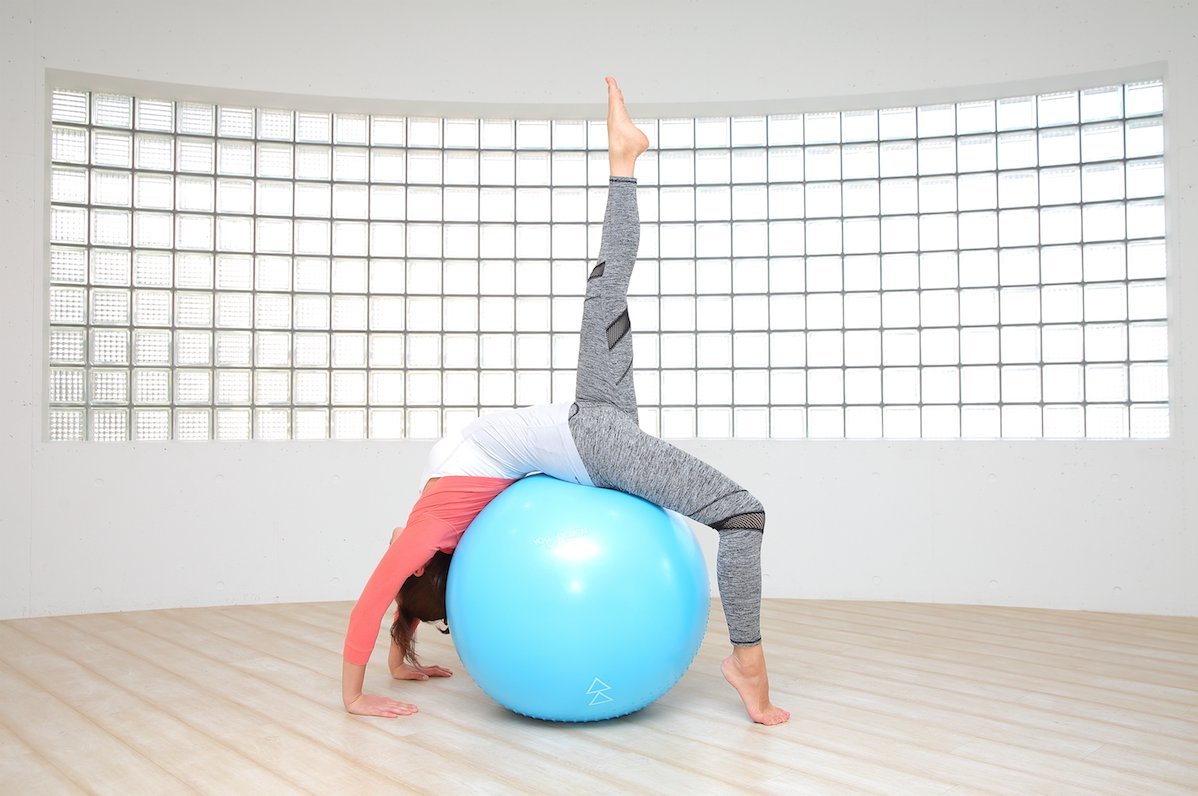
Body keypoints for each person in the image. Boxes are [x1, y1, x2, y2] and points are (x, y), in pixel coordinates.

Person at [341, 76, 790, 726]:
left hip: (590, 410)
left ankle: (623, 161)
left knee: (605, 287)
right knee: (741, 517)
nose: (393, 541)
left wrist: (403, 645)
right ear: (432, 558)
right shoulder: (431, 526)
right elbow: (374, 596)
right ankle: (747, 661)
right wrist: (354, 696)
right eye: (404, 552)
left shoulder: (435, 505)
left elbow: (398, 599)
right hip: (593, 443)